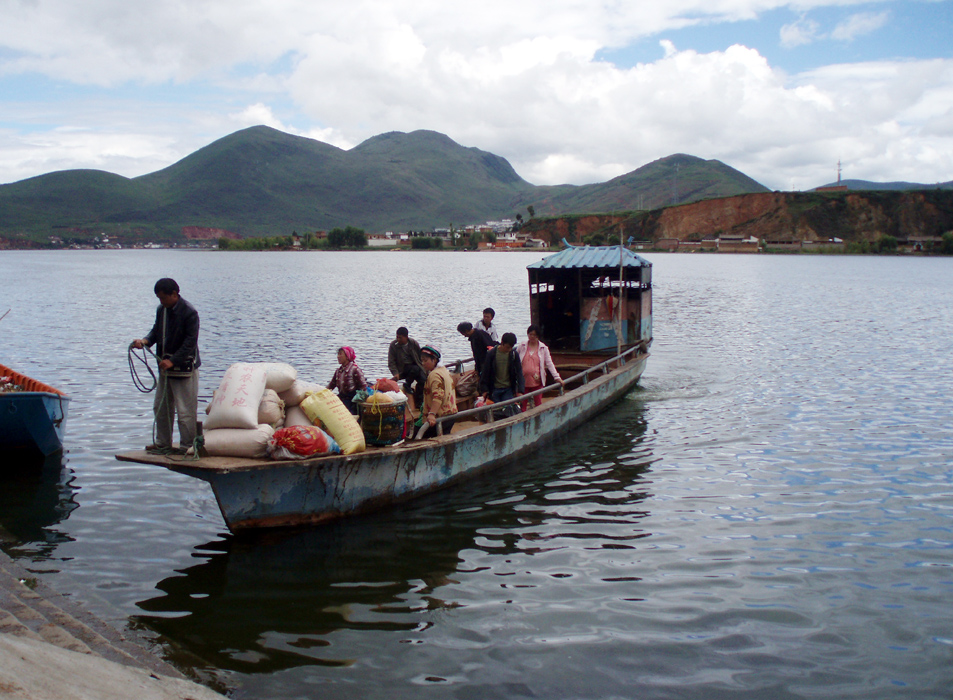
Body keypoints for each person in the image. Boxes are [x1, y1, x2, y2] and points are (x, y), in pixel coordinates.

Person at [132, 278, 201, 455]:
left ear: (174, 294)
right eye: (159, 298)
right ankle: (163, 443)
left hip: (184, 368)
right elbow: (156, 331)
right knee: (161, 407)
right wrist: (145, 341)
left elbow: (190, 343)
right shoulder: (161, 310)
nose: (161, 302)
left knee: (185, 411)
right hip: (165, 368)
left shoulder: (190, 312)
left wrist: (174, 360)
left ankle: (187, 446)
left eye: (163, 298)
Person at [517, 324, 563, 410]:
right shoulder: (522, 346)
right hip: (523, 382)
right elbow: (515, 361)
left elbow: (549, 363)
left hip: (537, 381)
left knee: (538, 404)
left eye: (534, 335)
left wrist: (557, 377)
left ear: (538, 336)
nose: (532, 337)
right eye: (530, 334)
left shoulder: (543, 348)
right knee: (522, 405)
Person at [417, 345, 458, 439]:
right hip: (450, 415)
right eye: (422, 360)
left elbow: (438, 396)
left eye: (425, 360)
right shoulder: (444, 371)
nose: (423, 363)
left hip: (439, 418)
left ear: (434, 360)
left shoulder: (434, 375)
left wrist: (431, 414)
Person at [480, 331, 524, 417]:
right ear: (502, 343)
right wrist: (484, 389)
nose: (509, 349)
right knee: (496, 413)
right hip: (495, 389)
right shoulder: (491, 354)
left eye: (511, 347)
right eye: (507, 347)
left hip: (508, 389)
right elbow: (485, 372)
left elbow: (519, 372)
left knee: (508, 412)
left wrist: (520, 390)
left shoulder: (514, 355)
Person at [387, 326, 427, 409]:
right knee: (415, 369)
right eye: (397, 337)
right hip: (403, 369)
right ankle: (407, 384)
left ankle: (419, 403)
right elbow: (391, 362)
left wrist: (425, 370)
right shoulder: (393, 345)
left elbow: (420, 358)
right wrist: (395, 373)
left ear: (406, 337)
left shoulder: (413, 343)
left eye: (400, 338)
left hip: (415, 368)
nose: (398, 339)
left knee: (423, 380)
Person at [327, 346, 367, 414]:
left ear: (347, 356)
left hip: (352, 402)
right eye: (338, 354)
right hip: (341, 398)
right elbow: (331, 386)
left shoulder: (355, 370)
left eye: (340, 354)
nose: (338, 356)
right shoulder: (338, 371)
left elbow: (363, 387)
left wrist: (359, 401)